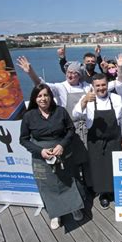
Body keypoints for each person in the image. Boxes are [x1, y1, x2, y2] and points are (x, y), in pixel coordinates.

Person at [19, 84, 85, 229]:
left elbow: (70, 130)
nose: (43, 99)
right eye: (39, 96)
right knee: (48, 187)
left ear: (50, 97)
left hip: (62, 152)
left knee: (68, 181)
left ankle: (74, 208)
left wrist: (62, 145)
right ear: (35, 99)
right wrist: (40, 151)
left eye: (46, 95)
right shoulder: (29, 116)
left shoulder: (60, 111)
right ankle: (56, 214)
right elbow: (23, 139)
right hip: (41, 156)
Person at [72, 73, 122, 209]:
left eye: (103, 85)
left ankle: (114, 192)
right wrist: (84, 101)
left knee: (114, 168)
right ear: (93, 86)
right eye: (97, 86)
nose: (101, 88)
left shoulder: (116, 98)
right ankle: (104, 194)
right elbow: (75, 115)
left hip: (114, 140)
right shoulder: (88, 99)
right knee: (99, 169)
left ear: (107, 85)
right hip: (95, 141)